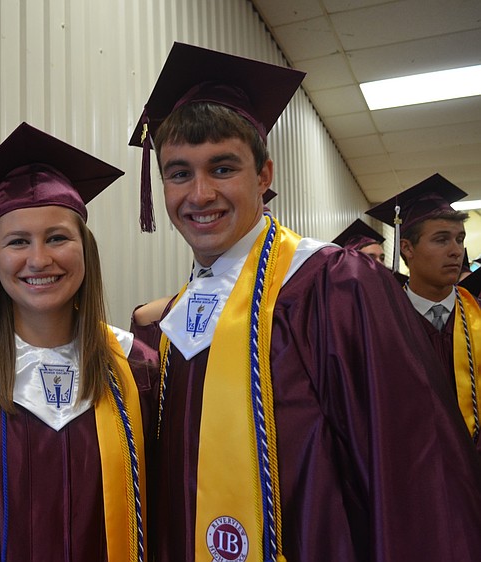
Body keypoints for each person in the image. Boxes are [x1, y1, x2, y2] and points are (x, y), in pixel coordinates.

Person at [128, 43, 481, 562]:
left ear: (264, 176)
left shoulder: (336, 287)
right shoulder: (174, 319)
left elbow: (412, 476)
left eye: (222, 168)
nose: (199, 194)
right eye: (179, 173)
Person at [0, 122, 158, 561]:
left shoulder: (137, 368)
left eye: (57, 238)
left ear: (85, 250)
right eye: (18, 242)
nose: (39, 259)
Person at [368, 173, 481, 453]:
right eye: (441, 240)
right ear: (407, 248)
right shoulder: (381, 323)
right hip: (413, 465)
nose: (456, 251)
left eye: (459, 239)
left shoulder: (477, 315)